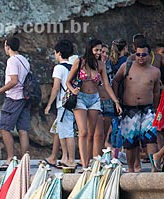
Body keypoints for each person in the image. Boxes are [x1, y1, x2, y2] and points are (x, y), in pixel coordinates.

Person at [66, 39, 122, 170]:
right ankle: (84, 164)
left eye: (100, 50)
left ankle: (90, 161)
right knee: (83, 132)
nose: (98, 53)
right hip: (80, 97)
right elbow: (68, 81)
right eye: (96, 50)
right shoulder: (80, 62)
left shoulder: (100, 65)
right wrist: (73, 90)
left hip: (94, 99)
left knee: (91, 132)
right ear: (90, 49)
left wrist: (116, 102)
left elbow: (107, 85)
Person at [112, 43, 161, 173]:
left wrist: (156, 109)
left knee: (151, 138)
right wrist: (117, 100)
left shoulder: (155, 71)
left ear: (149, 55)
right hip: (129, 108)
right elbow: (116, 81)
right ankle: (130, 168)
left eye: (143, 55)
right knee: (130, 140)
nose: (140, 57)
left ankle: (153, 166)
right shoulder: (126, 67)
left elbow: (156, 92)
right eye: (138, 54)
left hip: (148, 109)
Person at [0, 37, 31, 164]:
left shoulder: (12, 60)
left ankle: (10, 158)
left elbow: (13, 80)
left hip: (13, 97)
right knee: (23, 129)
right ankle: (25, 159)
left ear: (7, 46)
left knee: (5, 127)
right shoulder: (24, 60)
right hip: (25, 97)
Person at [43, 39, 76, 168]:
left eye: (55, 53)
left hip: (63, 103)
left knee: (67, 132)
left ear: (59, 53)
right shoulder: (73, 66)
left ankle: (71, 160)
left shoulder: (58, 68)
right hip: (72, 103)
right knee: (62, 131)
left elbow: (56, 87)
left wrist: (49, 104)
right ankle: (65, 158)